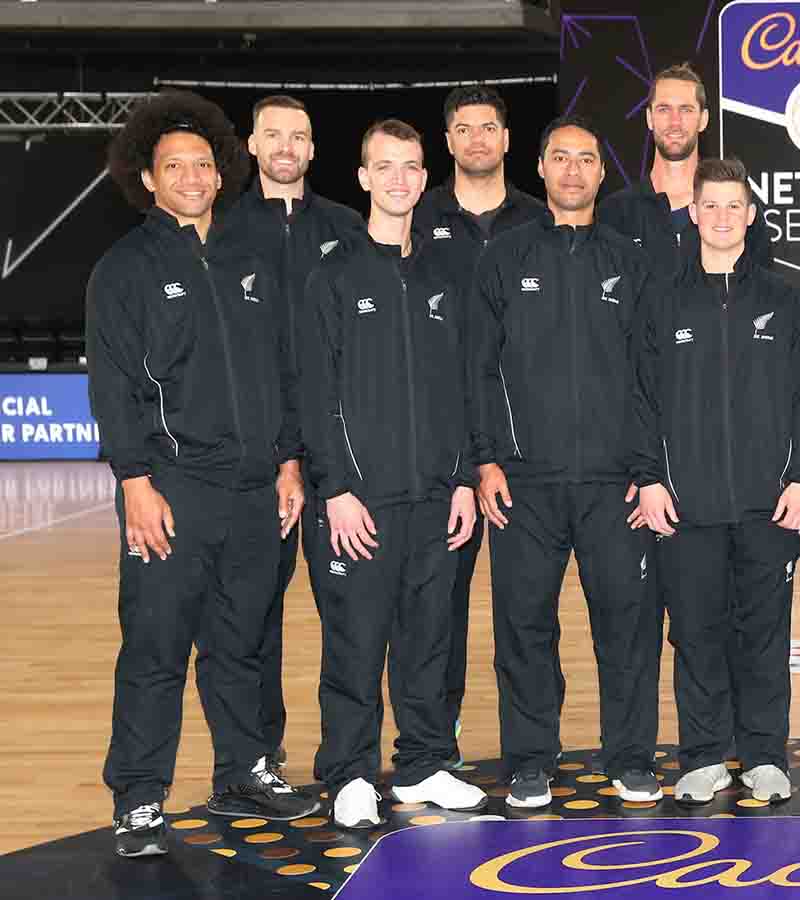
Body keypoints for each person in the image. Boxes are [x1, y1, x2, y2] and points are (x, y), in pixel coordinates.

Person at [89, 90, 318, 858]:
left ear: (222, 174)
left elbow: (283, 371)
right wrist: (135, 482)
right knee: (155, 646)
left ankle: (244, 769)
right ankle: (140, 795)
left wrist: (288, 460)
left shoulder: (252, 261)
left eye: (201, 164)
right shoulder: (123, 270)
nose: (190, 176)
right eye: (172, 166)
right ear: (147, 181)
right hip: (173, 488)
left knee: (243, 642)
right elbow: (113, 385)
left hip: (256, 489)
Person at [298, 118, 488, 829]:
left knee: (429, 641)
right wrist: (338, 488)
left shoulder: (444, 279)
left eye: (411, 166)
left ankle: (423, 765)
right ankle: (349, 771)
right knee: (355, 640)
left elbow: (464, 389)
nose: (401, 179)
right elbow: (316, 397)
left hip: (435, 500)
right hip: (361, 502)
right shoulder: (334, 277)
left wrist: (465, 478)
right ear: (363, 178)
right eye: (387, 167)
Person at [471, 115, 661, 809]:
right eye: (561, 158)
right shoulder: (503, 258)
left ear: (602, 174)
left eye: (587, 158)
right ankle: (529, 761)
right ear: (542, 170)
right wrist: (487, 461)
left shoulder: (631, 262)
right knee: (524, 625)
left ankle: (632, 757)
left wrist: (649, 469)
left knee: (628, 627)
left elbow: (652, 376)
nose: (575, 170)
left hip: (616, 484)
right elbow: (480, 370)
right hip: (524, 482)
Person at [630, 157, 800, 804]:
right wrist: (650, 480)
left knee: (765, 633)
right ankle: (704, 756)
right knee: (697, 633)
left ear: (751, 216)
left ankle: (765, 755)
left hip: (770, 505)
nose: (722, 217)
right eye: (711, 205)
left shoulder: (787, 302)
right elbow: (642, 400)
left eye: (734, 206)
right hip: (688, 505)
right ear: (694, 214)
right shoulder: (662, 303)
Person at [411, 84, 547, 767]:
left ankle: (530, 748)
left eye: (488, 127)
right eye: (463, 128)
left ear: (507, 138)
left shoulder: (540, 217)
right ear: (449, 140)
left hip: (524, 445)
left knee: (525, 610)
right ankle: (442, 741)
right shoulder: (417, 214)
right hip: (441, 440)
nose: (477, 139)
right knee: (440, 607)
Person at [231, 93, 365, 767]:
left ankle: (345, 761)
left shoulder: (348, 229)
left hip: (339, 458)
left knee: (350, 617)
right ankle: (259, 758)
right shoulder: (221, 232)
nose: (286, 146)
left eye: (299, 136)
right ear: (251, 146)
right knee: (254, 617)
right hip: (257, 463)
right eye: (273, 134)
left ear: (313, 150)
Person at [598, 62, 771, 272]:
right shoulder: (614, 214)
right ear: (649, 118)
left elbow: (761, 296)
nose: (675, 122)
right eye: (664, 109)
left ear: (703, 119)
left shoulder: (736, 212)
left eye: (686, 110)